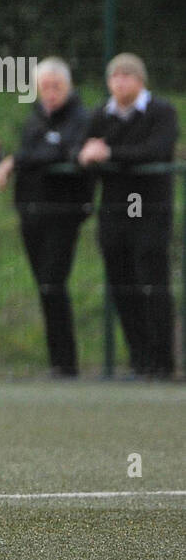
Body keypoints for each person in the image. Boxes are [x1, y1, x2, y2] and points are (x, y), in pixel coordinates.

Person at [79, 53, 178, 378]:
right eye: (115, 76)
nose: (120, 82)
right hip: (113, 214)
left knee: (152, 284)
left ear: (140, 80)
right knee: (122, 286)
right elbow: (82, 148)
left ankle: (162, 363)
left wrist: (109, 154)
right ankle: (139, 360)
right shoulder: (101, 116)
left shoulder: (162, 112)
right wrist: (87, 154)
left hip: (150, 213)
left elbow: (157, 150)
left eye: (127, 76)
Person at [0, 57, 93, 377]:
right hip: (32, 213)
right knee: (44, 285)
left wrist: (20, 159)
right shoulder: (36, 118)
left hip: (63, 214)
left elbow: (57, 152)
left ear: (68, 86)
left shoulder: (81, 117)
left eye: (56, 86)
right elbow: (39, 150)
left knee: (53, 283)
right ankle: (58, 363)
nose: (50, 93)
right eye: (44, 87)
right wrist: (22, 158)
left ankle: (66, 364)